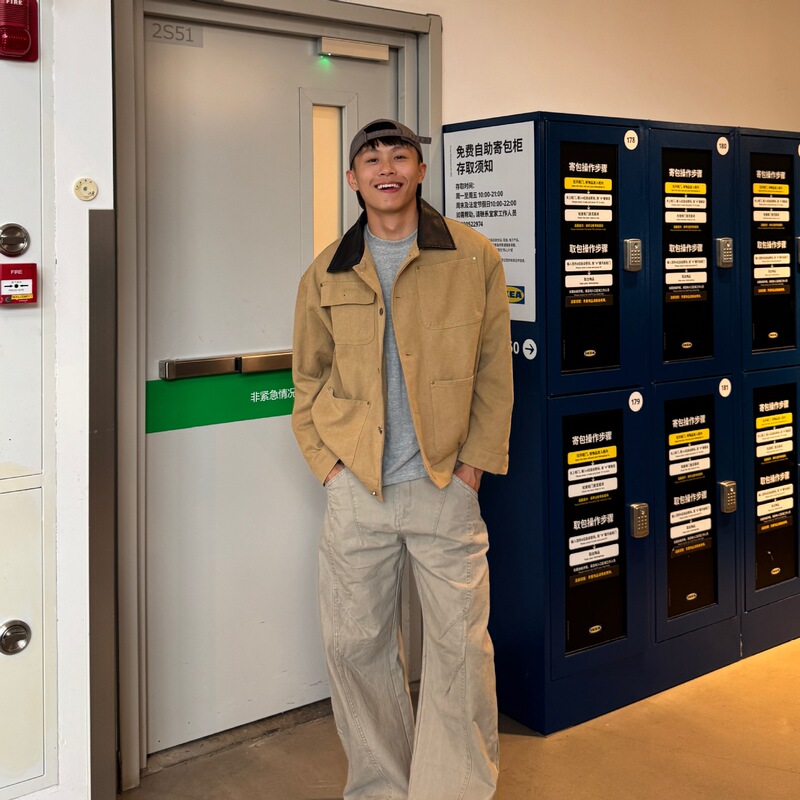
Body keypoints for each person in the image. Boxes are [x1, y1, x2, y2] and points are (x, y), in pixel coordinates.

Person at [292, 119, 513, 800]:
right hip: (357, 488)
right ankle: (382, 787)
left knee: (459, 648)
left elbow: (494, 371)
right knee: (354, 647)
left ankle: (455, 789)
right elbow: (308, 379)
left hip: (444, 483)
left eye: (400, 156)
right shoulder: (326, 270)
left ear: (420, 171)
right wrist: (328, 467)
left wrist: (473, 468)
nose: (386, 168)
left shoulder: (473, 256)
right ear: (353, 179)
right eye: (371, 159)